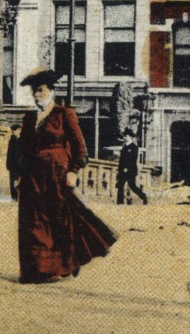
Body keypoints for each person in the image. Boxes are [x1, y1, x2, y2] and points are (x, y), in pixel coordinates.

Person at [15, 68, 117, 283]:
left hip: (57, 175)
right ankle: (38, 269)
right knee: (34, 222)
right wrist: (19, 174)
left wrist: (73, 171)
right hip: (33, 177)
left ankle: (68, 262)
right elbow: (24, 149)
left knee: (61, 221)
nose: (37, 95)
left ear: (51, 91)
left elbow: (80, 147)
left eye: (41, 91)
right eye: (34, 91)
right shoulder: (29, 118)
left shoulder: (64, 114)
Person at [115, 129, 147, 205]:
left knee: (132, 186)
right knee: (120, 185)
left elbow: (133, 159)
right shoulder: (124, 147)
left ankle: (143, 196)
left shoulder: (134, 147)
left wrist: (127, 167)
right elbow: (121, 160)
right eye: (124, 136)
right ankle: (120, 203)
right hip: (122, 170)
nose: (125, 137)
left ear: (130, 137)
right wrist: (120, 170)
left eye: (126, 136)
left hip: (131, 170)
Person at [4, 124, 22, 200]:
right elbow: (9, 153)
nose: (19, 131)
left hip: (19, 164)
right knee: (13, 180)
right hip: (14, 164)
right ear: (15, 131)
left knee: (18, 180)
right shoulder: (12, 140)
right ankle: (14, 196)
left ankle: (18, 195)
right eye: (18, 130)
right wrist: (8, 164)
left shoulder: (20, 140)